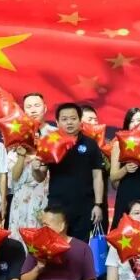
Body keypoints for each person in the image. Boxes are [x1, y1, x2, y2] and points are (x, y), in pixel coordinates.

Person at [38, 102, 104, 243]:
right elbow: (39, 177)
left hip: (84, 206)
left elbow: (97, 176)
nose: (69, 122)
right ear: (57, 122)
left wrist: (98, 205)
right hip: (57, 206)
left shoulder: (90, 144)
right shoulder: (49, 143)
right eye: (64, 119)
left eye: (73, 118)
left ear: (80, 121)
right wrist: (36, 168)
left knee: (79, 246)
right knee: (55, 245)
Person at [7, 92, 52, 241]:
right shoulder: (16, 136)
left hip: (47, 196)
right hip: (21, 199)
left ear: (45, 108)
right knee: (20, 242)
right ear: (23, 110)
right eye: (29, 107)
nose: (33, 110)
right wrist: (22, 155)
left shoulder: (55, 134)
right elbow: (13, 177)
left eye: (37, 105)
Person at [110, 107, 140, 228]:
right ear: (127, 124)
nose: (136, 124)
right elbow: (113, 177)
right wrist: (125, 169)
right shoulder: (118, 144)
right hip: (127, 192)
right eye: (132, 121)